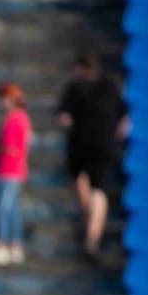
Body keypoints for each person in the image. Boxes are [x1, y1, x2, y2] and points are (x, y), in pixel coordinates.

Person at [56, 53, 129, 257]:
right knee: (98, 189)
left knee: (83, 183)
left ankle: (89, 227)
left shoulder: (75, 88)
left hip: (81, 145)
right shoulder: (111, 87)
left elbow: (64, 118)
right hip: (103, 145)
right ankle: (92, 236)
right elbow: (124, 121)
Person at [0, 83, 31, 265]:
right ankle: (13, 244)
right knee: (10, 208)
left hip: (9, 170)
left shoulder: (16, 119)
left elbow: (12, 147)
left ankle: (3, 242)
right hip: (4, 169)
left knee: (4, 207)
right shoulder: (14, 118)